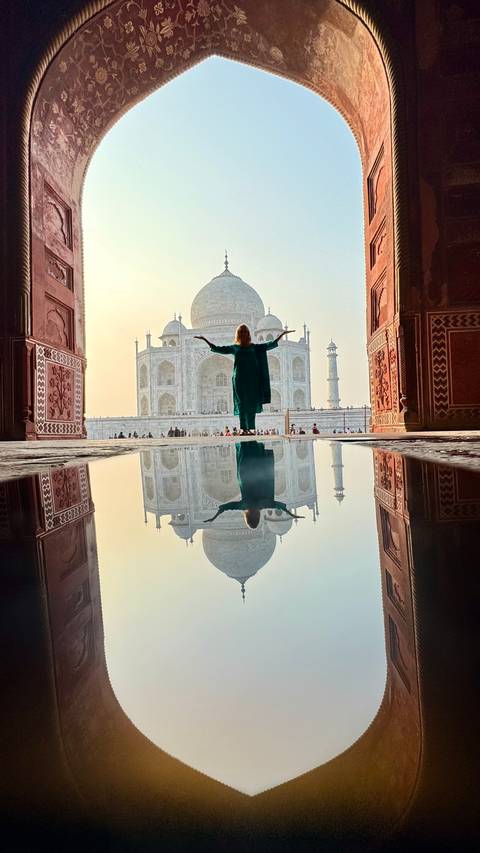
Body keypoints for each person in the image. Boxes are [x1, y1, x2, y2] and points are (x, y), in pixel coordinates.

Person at [195, 324, 294, 435]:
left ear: (248, 334)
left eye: (245, 332)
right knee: (241, 404)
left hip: (253, 380)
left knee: (251, 404)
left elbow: (269, 345)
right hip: (239, 379)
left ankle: (251, 429)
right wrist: (205, 340)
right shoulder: (235, 347)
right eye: (241, 332)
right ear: (238, 334)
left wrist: (282, 335)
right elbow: (218, 349)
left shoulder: (254, 347)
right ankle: (243, 429)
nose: (243, 334)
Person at [204, 442, 304, 529]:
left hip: (257, 471)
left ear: (258, 517)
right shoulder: (244, 506)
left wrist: (292, 515)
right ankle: (245, 435)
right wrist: (214, 517)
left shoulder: (264, 504)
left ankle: (250, 437)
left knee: (254, 452)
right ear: (247, 518)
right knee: (245, 451)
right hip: (245, 473)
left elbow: (280, 507)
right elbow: (226, 508)